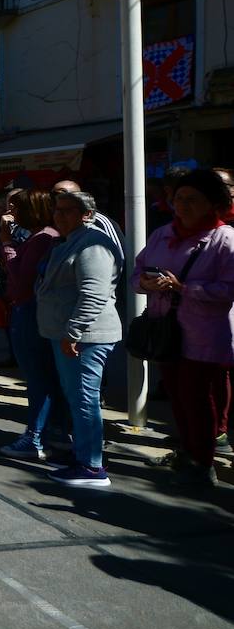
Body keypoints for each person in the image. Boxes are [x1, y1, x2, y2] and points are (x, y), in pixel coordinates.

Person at [133, 169, 234, 490]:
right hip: (165, 330)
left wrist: (184, 288)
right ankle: (187, 453)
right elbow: (136, 273)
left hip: (204, 335)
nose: (183, 206)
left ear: (212, 204)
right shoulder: (162, 234)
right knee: (177, 396)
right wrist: (146, 283)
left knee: (198, 399)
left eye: (192, 200)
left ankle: (203, 464)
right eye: (178, 199)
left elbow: (227, 291)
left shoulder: (225, 239)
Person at [36, 189, 123, 488]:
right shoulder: (72, 240)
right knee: (78, 398)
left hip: (85, 336)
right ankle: (84, 455)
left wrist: (72, 332)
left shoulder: (93, 244)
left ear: (87, 214)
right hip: (69, 335)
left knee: (85, 399)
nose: (59, 215)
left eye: (68, 210)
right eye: (57, 209)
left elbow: (94, 293)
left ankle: (91, 467)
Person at [0, 190, 63, 461]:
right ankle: (47, 433)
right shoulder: (45, 235)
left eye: (17, 208)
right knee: (42, 377)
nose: (12, 214)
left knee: (37, 378)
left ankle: (35, 437)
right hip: (31, 309)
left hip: (30, 310)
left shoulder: (42, 238)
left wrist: (6, 242)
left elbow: (21, 277)